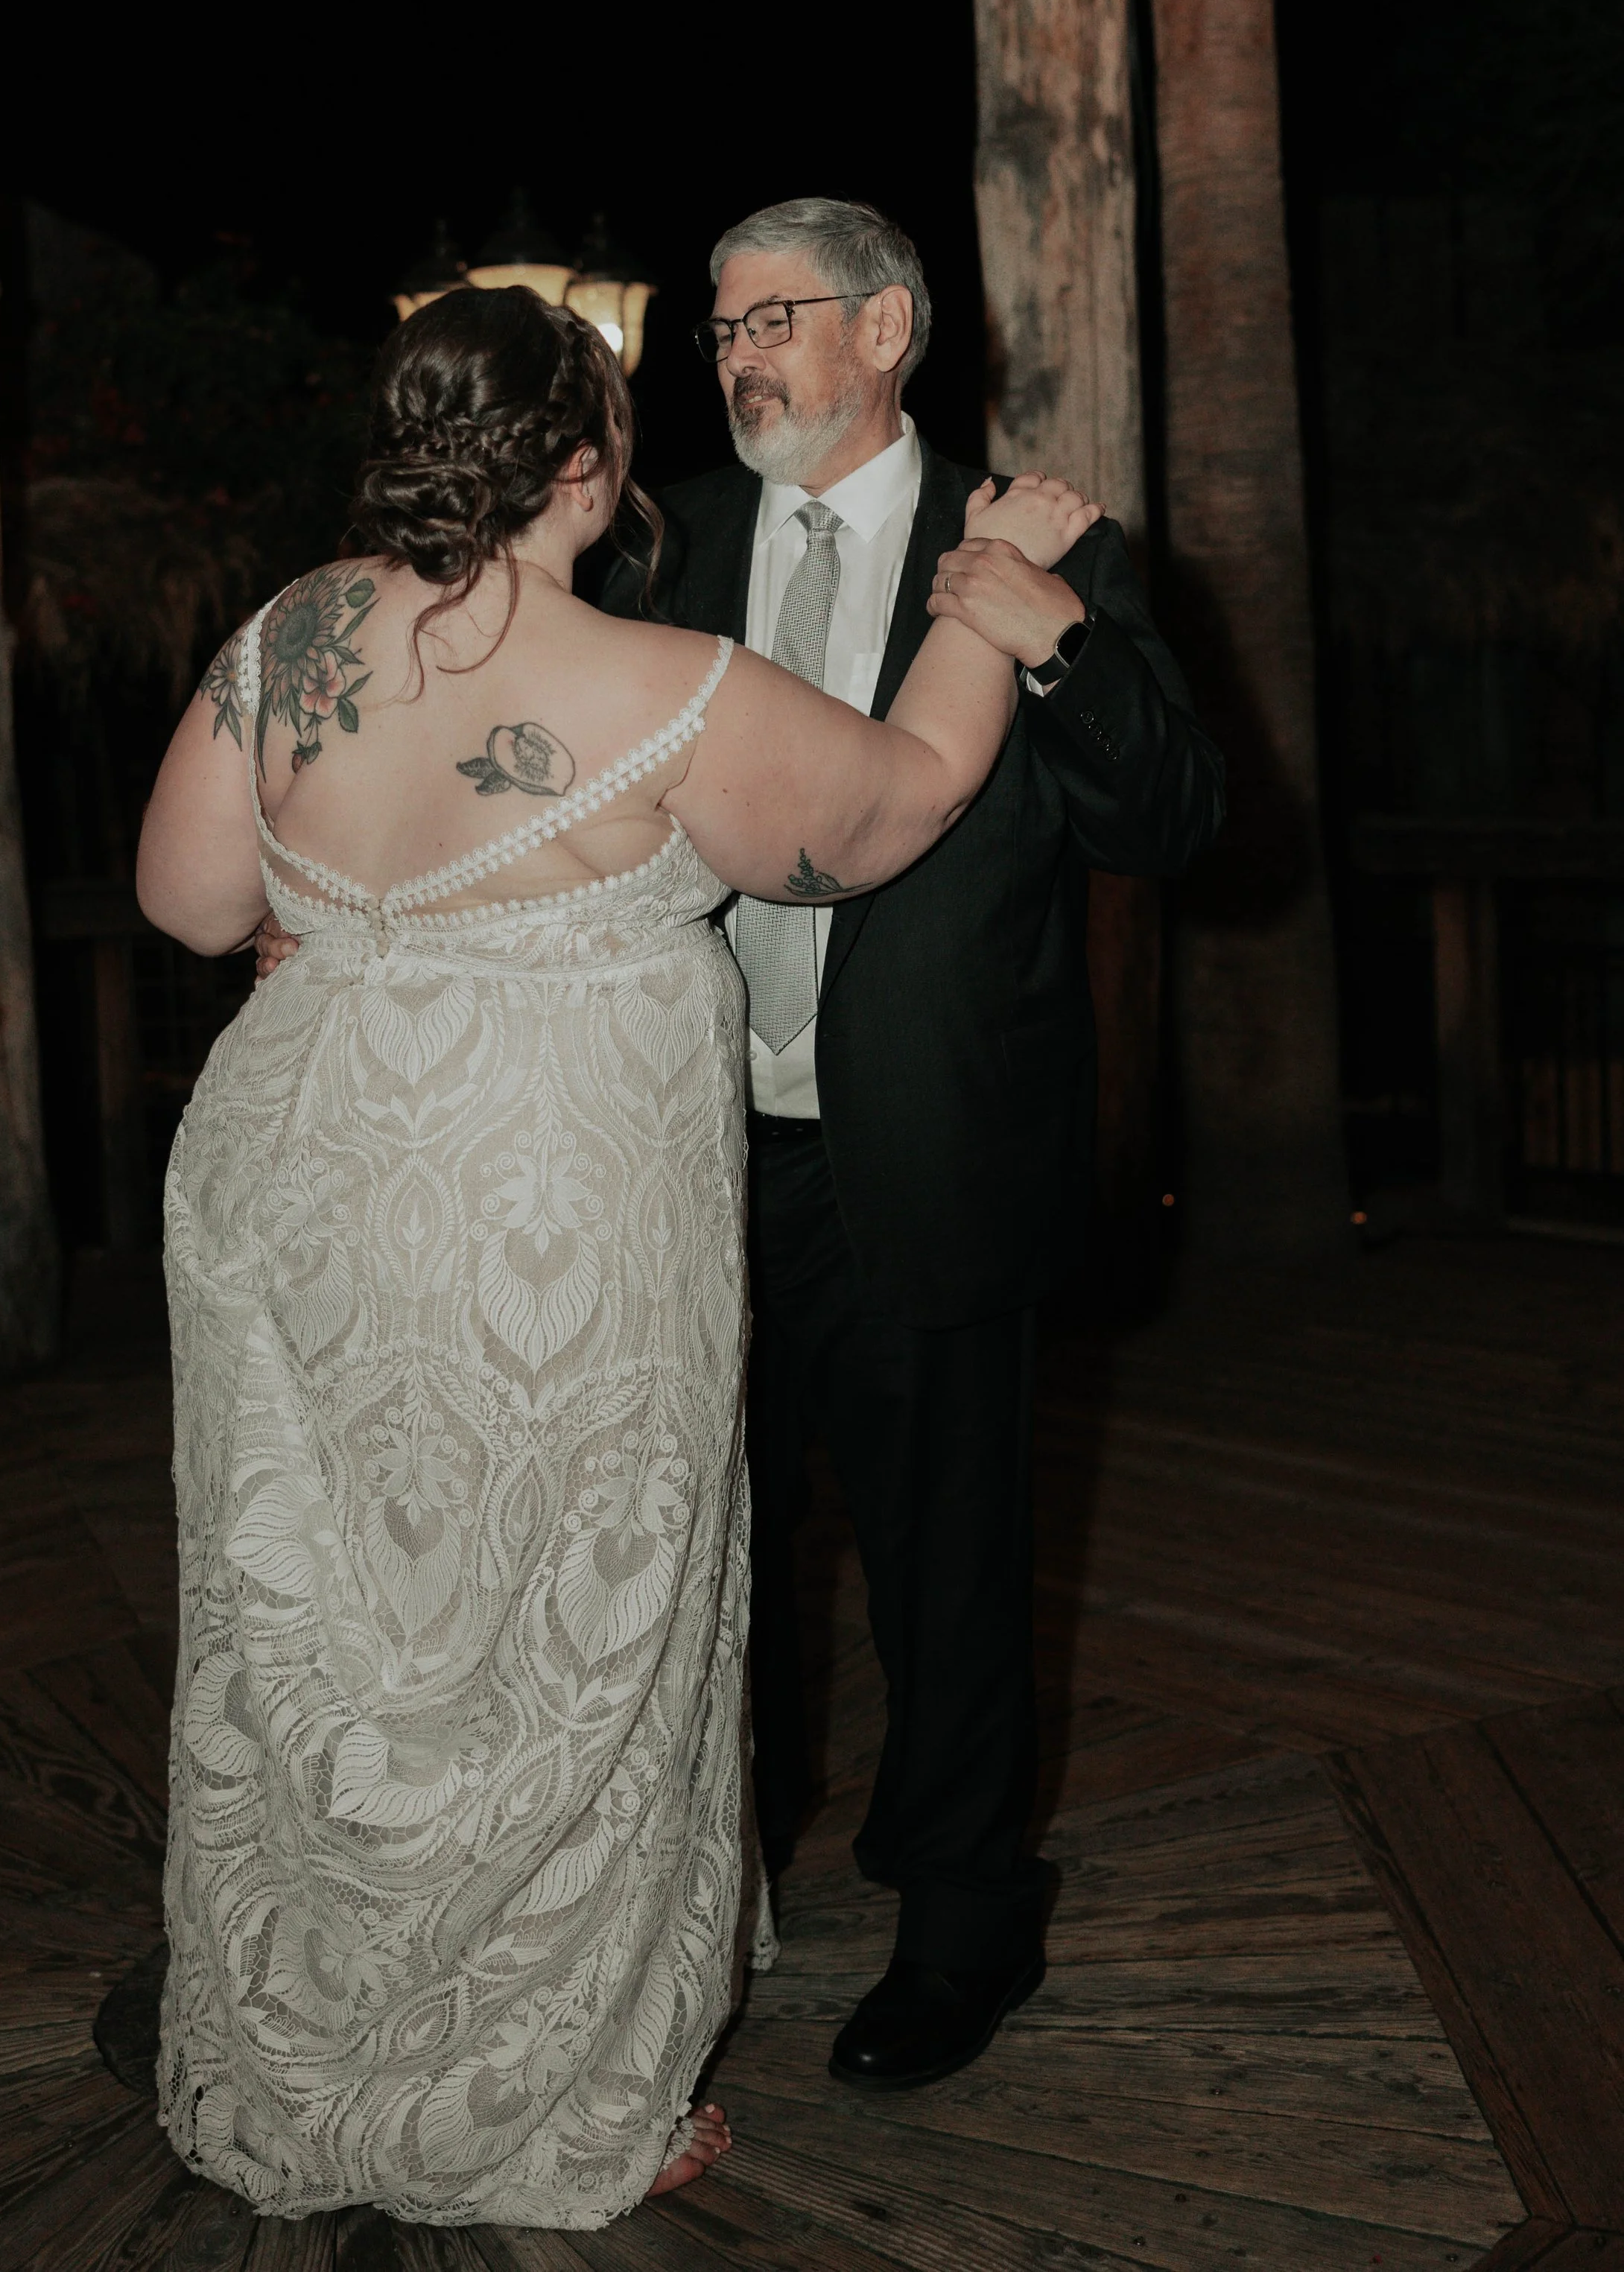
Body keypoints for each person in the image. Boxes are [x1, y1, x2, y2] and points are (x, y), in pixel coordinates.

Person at [136, 283, 1064, 2229]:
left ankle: (324, 2025)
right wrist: (985, 605)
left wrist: (353, 921)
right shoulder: (664, 680)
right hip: (545, 1208)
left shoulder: (292, 633)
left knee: (328, 1615)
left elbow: (189, 894)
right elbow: (893, 807)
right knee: (567, 1625)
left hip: (302, 1187)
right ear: (585, 458)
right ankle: (553, 2090)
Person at [591, 199, 1227, 2092]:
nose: (730, 359)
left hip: (937, 1142)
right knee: (719, 1544)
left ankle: (961, 1922)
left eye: (766, 320)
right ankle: (725, 1868)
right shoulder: (660, 549)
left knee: (948, 1558)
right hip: (688, 1157)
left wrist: (1048, 644)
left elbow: (1179, 820)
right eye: (712, 333)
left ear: (884, 330)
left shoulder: (1039, 541)